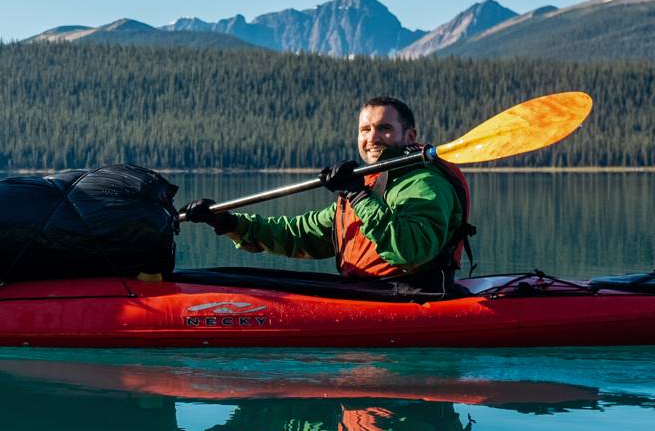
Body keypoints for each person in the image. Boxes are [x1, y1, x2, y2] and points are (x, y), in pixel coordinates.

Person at [180, 97, 471, 292]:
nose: (371, 138)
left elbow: (410, 250)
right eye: (365, 129)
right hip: (370, 291)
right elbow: (298, 235)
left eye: (384, 129)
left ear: (409, 136)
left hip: (411, 295)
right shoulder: (369, 183)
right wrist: (227, 223)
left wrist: (357, 196)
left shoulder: (424, 183)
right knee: (233, 277)